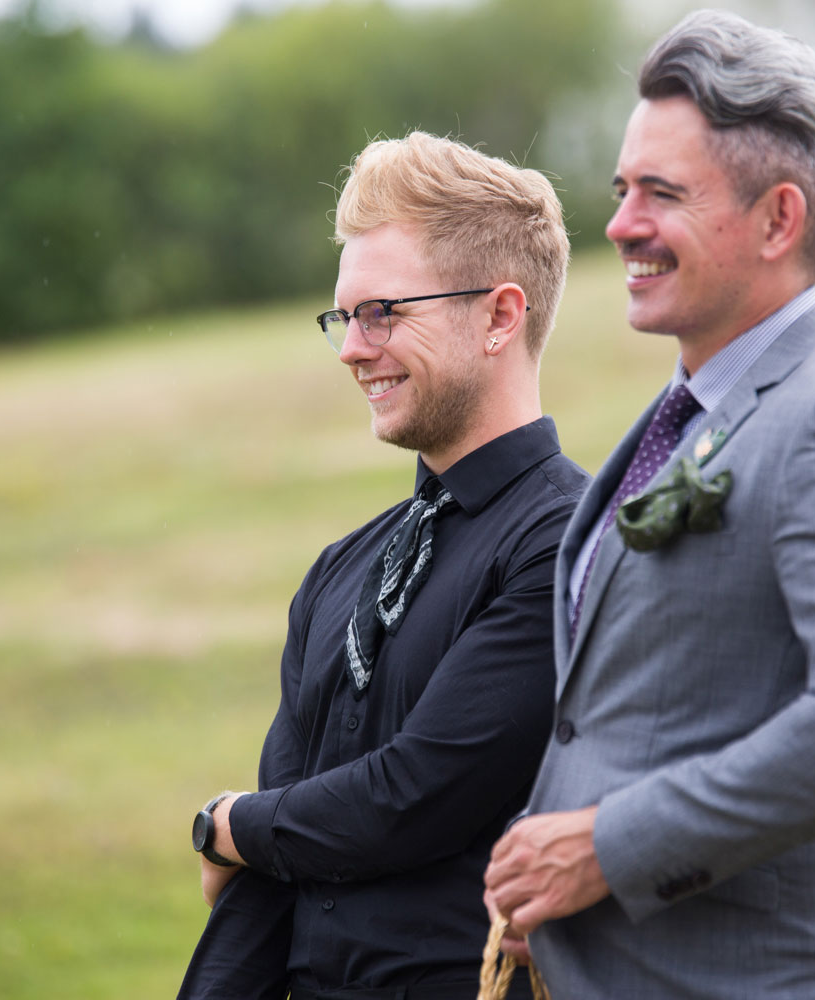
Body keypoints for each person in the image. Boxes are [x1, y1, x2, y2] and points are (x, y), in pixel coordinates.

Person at [483, 10, 815, 998]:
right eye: (621, 190)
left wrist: (610, 846)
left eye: (661, 193)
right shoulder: (684, 414)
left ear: (779, 219)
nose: (617, 225)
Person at [175, 131, 588, 1000]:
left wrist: (229, 822)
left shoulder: (568, 543)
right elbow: (274, 868)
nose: (353, 348)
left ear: (500, 316)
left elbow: (412, 797)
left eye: (384, 312)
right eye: (344, 317)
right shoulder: (339, 571)